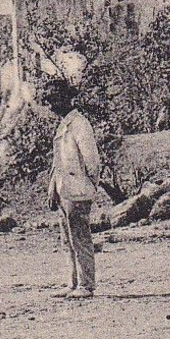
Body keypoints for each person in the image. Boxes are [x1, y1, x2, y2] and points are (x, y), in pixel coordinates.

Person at [43, 80, 101, 299]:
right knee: (67, 239)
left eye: (54, 100)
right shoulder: (64, 125)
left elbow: (92, 161)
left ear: (66, 99)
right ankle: (73, 282)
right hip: (63, 189)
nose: (51, 106)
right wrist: (52, 188)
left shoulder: (79, 124)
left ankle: (87, 284)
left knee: (80, 237)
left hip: (78, 189)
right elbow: (58, 163)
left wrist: (89, 184)